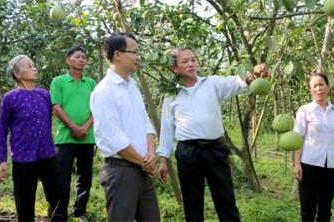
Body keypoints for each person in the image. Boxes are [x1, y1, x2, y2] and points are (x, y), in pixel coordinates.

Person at [157, 47, 261, 222]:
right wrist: (163, 160)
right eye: (185, 61)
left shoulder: (211, 83)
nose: (191, 64)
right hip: (188, 152)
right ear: (174, 68)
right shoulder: (171, 95)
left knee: (226, 199)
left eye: (193, 60)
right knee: (192, 203)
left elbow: (238, 83)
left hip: (215, 149)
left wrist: (255, 75)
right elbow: (167, 128)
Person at [90, 32, 160, 221]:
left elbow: (146, 123)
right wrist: (146, 163)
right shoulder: (104, 92)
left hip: (142, 168)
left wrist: (151, 154)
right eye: (135, 51)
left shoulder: (132, 87)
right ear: (118, 54)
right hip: (121, 171)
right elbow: (115, 139)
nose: (138, 57)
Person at [0, 55, 62, 221]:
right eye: (29, 66)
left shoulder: (44, 94)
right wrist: (1, 160)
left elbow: (48, 121)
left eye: (34, 65)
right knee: (25, 204)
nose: (35, 68)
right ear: (17, 74)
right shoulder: (10, 98)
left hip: (48, 154)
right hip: (23, 158)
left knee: (58, 199)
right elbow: (2, 130)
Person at [293, 72, 334, 222]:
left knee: (326, 209)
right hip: (309, 164)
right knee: (308, 208)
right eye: (315, 86)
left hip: (332, 166)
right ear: (311, 90)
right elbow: (298, 138)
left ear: (328, 87)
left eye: (321, 84)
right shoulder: (305, 110)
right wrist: (296, 164)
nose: (319, 88)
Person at [49, 45, 96, 221]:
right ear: (68, 60)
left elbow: (96, 109)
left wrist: (85, 127)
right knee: (61, 177)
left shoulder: (91, 83)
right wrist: (74, 128)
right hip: (65, 138)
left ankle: (80, 211)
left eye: (84, 57)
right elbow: (56, 106)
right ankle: (59, 214)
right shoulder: (58, 81)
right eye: (77, 56)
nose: (82, 59)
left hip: (87, 137)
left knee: (85, 177)